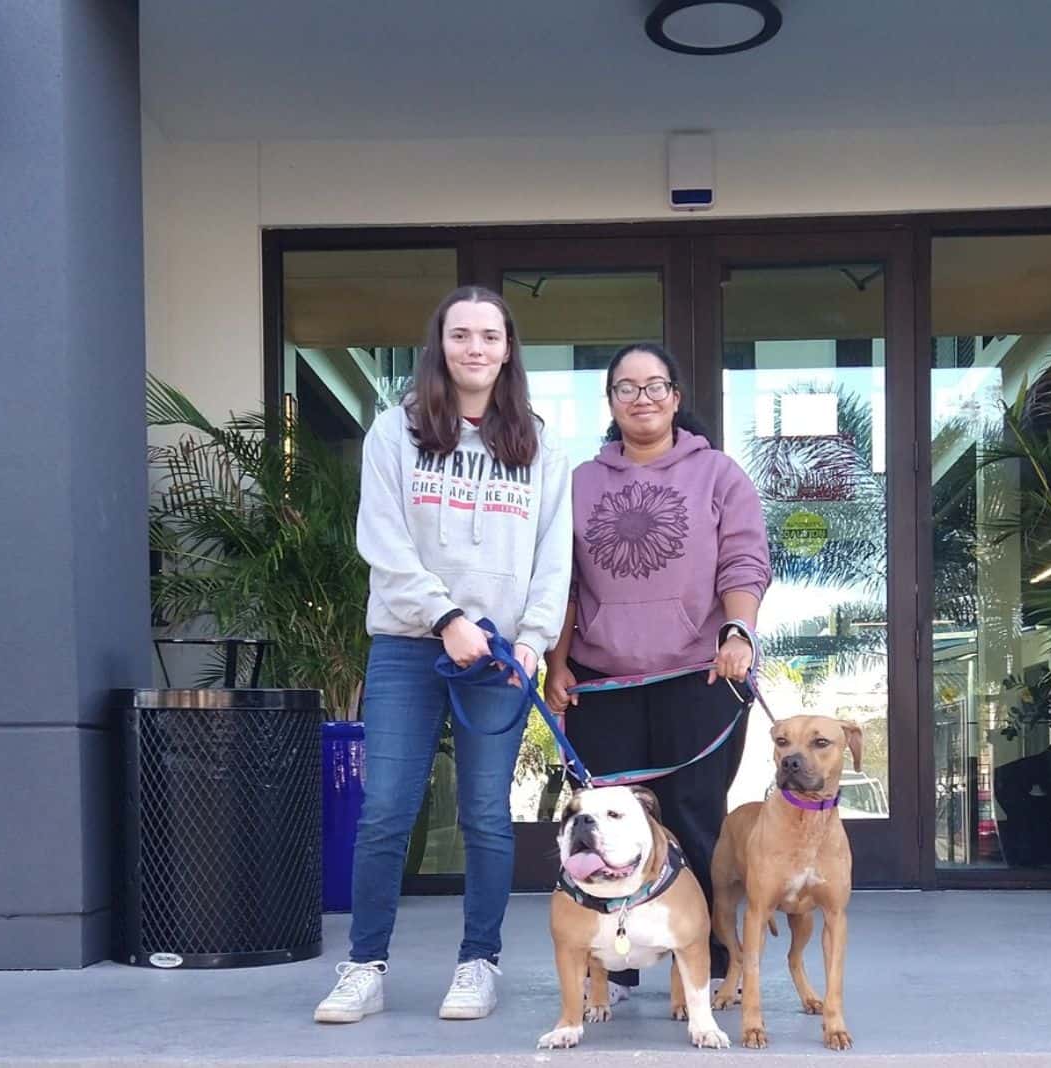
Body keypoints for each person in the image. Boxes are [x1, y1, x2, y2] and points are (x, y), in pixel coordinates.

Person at [315, 286, 573, 1024]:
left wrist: (530, 641)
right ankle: (363, 965)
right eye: (461, 335)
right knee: (386, 811)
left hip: (500, 655)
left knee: (486, 815)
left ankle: (478, 963)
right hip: (407, 645)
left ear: (508, 348)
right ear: (440, 344)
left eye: (490, 336)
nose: (476, 348)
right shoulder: (394, 432)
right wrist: (447, 616)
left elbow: (554, 557)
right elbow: (384, 542)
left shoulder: (541, 444)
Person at [544, 342, 771, 994]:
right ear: (611, 403)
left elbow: (743, 561)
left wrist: (737, 632)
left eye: (655, 386)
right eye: (627, 387)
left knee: (693, 816)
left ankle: (708, 966)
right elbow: (563, 582)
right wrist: (558, 665)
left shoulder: (719, 474)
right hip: (602, 681)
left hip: (700, 676)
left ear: (675, 397)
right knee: (606, 826)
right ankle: (615, 964)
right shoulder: (581, 482)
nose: (642, 398)